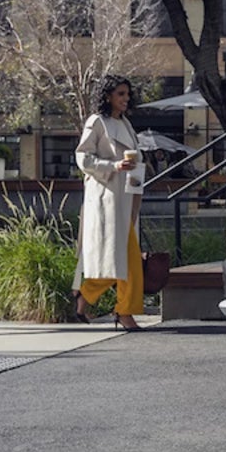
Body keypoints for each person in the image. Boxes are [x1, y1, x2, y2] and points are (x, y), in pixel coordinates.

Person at [72, 75, 144, 331]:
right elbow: (83, 157)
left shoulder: (125, 123)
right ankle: (123, 311)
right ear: (107, 96)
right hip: (107, 198)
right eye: (120, 94)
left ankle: (86, 296)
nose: (126, 98)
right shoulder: (97, 122)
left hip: (127, 196)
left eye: (127, 94)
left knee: (122, 258)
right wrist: (114, 166)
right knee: (125, 259)